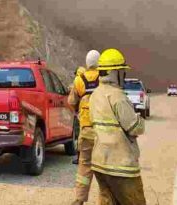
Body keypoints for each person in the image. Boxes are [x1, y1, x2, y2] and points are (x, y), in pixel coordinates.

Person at [89, 48, 146, 205]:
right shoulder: (118, 97)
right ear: (115, 73)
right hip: (121, 166)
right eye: (122, 71)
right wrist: (140, 121)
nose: (124, 75)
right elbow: (135, 127)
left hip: (100, 163)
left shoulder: (94, 96)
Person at [68, 50, 101, 205]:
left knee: (84, 166)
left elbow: (71, 101)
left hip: (86, 129)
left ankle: (79, 200)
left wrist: (78, 111)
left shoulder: (79, 80)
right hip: (103, 130)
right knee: (105, 167)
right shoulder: (104, 78)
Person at [71, 66, 87, 165]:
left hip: (79, 113)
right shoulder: (90, 81)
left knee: (78, 136)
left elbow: (72, 100)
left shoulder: (77, 81)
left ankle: (79, 158)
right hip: (91, 113)